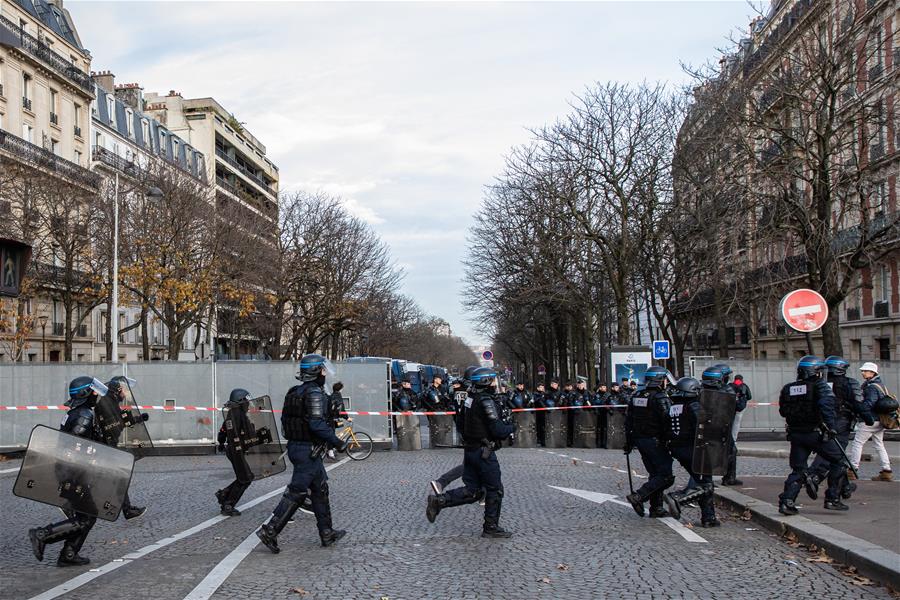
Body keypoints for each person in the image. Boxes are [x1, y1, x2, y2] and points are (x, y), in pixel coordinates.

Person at [257, 354, 349, 553]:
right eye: (323, 369)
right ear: (317, 371)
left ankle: (327, 533)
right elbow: (316, 424)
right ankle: (270, 530)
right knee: (297, 492)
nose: (325, 373)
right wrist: (337, 442)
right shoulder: (314, 393)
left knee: (320, 490)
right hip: (307, 450)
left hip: (301, 448)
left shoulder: (295, 391)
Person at [426, 367, 515, 538]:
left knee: (473, 491)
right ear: (486, 381)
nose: (495, 384)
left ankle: (440, 500)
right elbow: (498, 429)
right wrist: (511, 426)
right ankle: (491, 527)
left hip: (472, 450)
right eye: (493, 380)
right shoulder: (485, 401)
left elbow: (461, 423)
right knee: (495, 489)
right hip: (484, 452)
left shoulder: (470, 398)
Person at [29, 377, 105, 566]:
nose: (96, 395)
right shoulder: (84, 415)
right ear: (85, 393)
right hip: (74, 472)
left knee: (86, 515)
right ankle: (42, 534)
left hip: (69, 471)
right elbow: (76, 446)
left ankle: (69, 554)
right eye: (93, 391)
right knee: (85, 517)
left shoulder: (76, 412)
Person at [777, 356, 849, 515]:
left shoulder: (788, 388)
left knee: (798, 469)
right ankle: (832, 498)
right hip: (815, 433)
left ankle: (787, 502)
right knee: (840, 461)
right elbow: (827, 405)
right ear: (815, 372)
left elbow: (783, 411)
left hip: (796, 434)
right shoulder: (820, 386)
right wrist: (831, 427)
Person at [665, 377, 720, 527]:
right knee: (706, 484)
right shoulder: (694, 405)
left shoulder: (673, 406)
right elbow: (703, 425)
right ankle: (679, 499)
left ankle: (709, 517)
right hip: (694, 449)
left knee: (702, 482)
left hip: (678, 448)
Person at [806, 357, 864, 498]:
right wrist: (867, 417)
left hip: (821, 422)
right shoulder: (849, 382)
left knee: (836, 456)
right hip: (841, 423)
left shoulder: (820, 383)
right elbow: (859, 403)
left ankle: (845, 487)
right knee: (835, 455)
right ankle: (815, 476)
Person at [624, 366, 674, 518]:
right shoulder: (660, 397)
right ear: (659, 381)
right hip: (656, 441)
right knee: (665, 476)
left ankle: (656, 507)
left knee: (655, 474)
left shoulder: (637, 395)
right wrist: (671, 440)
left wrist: (629, 442)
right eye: (664, 380)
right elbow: (668, 421)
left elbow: (629, 421)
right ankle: (639, 496)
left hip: (640, 440)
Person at [97, 377, 147, 520]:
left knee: (118, 479)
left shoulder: (110, 403)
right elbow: (114, 424)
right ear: (115, 392)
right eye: (122, 391)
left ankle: (127, 510)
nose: (124, 394)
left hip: (109, 446)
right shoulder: (106, 404)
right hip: (105, 447)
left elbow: (121, 421)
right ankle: (70, 502)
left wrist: (138, 419)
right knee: (110, 479)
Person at [846, 362, 893, 482]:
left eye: (865, 371)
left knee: (857, 443)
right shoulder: (880, 385)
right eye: (863, 370)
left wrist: (858, 407)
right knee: (879, 445)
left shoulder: (871, 387)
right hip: (880, 420)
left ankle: (852, 469)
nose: (863, 372)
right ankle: (886, 471)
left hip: (869, 420)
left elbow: (868, 404)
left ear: (873, 373)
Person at [216, 389, 257, 516]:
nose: (248, 404)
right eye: (246, 401)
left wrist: (221, 442)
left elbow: (223, 430)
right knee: (245, 478)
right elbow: (241, 434)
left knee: (245, 477)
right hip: (236, 450)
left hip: (234, 449)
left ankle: (224, 494)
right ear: (241, 401)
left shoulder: (232, 413)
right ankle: (228, 504)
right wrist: (257, 437)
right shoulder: (238, 414)